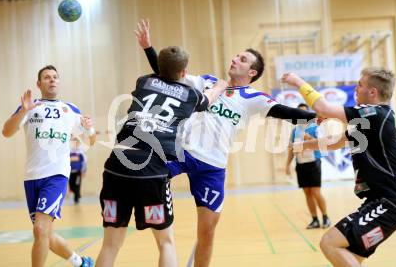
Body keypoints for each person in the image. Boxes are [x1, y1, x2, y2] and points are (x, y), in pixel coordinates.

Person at [135, 19, 318, 267]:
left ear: (252, 72)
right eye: (237, 56)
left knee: (207, 232)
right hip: (181, 153)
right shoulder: (207, 82)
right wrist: (148, 47)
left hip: (212, 166)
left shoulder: (254, 98)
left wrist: (317, 115)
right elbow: (165, 75)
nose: (235, 59)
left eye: (243, 59)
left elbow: (286, 112)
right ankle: (165, 247)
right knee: (148, 178)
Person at [95, 45, 228, 267]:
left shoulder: (143, 81)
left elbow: (163, 73)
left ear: (159, 68)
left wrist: (148, 48)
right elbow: (209, 98)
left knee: (110, 245)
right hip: (151, 171)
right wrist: (223, 84)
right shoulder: (191, 95)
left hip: (116, 167)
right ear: (185, 72)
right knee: (165, 243)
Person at [282, 68, 396, 267]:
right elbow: (336, 141)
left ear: (373, 92)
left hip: (389, 203)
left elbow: (323, 107)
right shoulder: (370, 120)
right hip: (382, 203)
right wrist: (304, 145)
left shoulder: (375, 113)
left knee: (329, 243)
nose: (355, 90)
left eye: (360, 85)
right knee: (348, 256)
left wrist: (298, 81)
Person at [2, 65, 96, 267]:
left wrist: (88, 130)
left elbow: (92, 140)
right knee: (45, 234)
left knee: (40, 231)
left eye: (55, 77)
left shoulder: (70, 109)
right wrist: (23, 112)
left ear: (59, 81)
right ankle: (81, 262)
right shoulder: (30, 106)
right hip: (32, 177)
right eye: (47, 77)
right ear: (39, 84)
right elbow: (6, 132)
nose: (52, 80)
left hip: (56, 175)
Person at [285, 103, 331, 229]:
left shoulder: (315, 127)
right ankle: (314, 219)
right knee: (307, 193)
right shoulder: (295, 131)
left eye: (304, 112)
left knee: (316, 191)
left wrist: (308, 138)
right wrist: (287, 165)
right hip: (300, 163)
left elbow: (323, 145)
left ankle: (325, 217)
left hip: (314, 162)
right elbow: (291, 149)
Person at [69, 136, 88, 205]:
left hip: (78, 172)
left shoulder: (81, 152)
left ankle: (76, 199)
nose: (75, 143)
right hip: (70, 172)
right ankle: (78, 194)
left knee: (77, 185)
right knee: (71, 185)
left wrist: (84, 171)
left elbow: (84, 162)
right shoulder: (69, 152)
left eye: (76, 142)